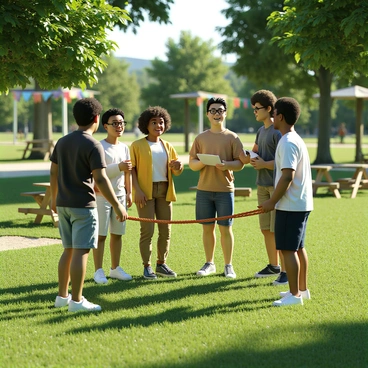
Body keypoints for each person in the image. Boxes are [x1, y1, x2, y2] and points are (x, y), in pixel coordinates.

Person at [50, 98, 128, 312]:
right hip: (83, 206)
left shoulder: (62, 141)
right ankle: (76, 301)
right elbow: (101, 179)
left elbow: (53, 172)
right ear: (96, 119)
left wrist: (52, 198)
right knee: (81, 252)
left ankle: (62, 297)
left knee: (68, 250)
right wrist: (118, 206)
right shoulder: (93, 144)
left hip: (63, 204)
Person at [259, 97, 313, 307]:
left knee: (288, 250)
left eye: (274, 113)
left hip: (290, 205)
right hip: (300, 204)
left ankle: (294, 296)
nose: (271, 116)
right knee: (298, 248)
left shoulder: (288, 142)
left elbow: (287, 176)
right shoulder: (295, 138)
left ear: (280, 116)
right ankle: (302, 290)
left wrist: (272, 201)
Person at [189, 97, 244, 279]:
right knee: (207, 228)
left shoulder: (232, 137)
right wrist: (203, 163)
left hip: (225, 190)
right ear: (207, 114)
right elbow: (192, 163)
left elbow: (240, 163)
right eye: (213, 111)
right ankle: (209, 263)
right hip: (204, 190)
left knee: (225, 228)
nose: (216, 114)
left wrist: (226, 164)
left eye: (220, 110)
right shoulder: (200, 138)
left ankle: (228, 265)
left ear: (225, 113)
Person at [239, 89, 287, 285]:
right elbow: (256, 152)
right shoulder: (260, 131)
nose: (255, 112)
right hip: (262, 185)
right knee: (266, 229)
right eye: (253, 109)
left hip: (276, 188)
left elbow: (285, 163)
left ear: (269, 109)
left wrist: (265, 164)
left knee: (278, 230)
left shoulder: (278, 132)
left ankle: (285, 271)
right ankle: (273, 265)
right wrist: (245, 156)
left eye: (257, 108)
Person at [130, 106, 183, 279]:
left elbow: (176, 170)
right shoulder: (137, 145)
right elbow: (131, 170)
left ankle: (162, 264)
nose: (158, 125)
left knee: (165, 230)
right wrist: (136, 191)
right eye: (154, 122)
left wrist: (178, 166)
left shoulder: (167, 146)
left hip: (165, 191)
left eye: (161, 122)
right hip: (145, 192)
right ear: (146, 124)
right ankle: (147, 266)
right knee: (147, 230)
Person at [93, 108, 133, 284]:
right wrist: (119, 167)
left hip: (121, 196)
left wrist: (129, 192)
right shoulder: (99, 146)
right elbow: (97, 174)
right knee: (101, 235)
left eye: (121, 123)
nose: (119, 126)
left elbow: (128, 173)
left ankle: (115, 268)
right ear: (105, 126)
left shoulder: (125, 147)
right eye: (115, 123)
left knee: (117, 234)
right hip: (102, 197)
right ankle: (98, 270)